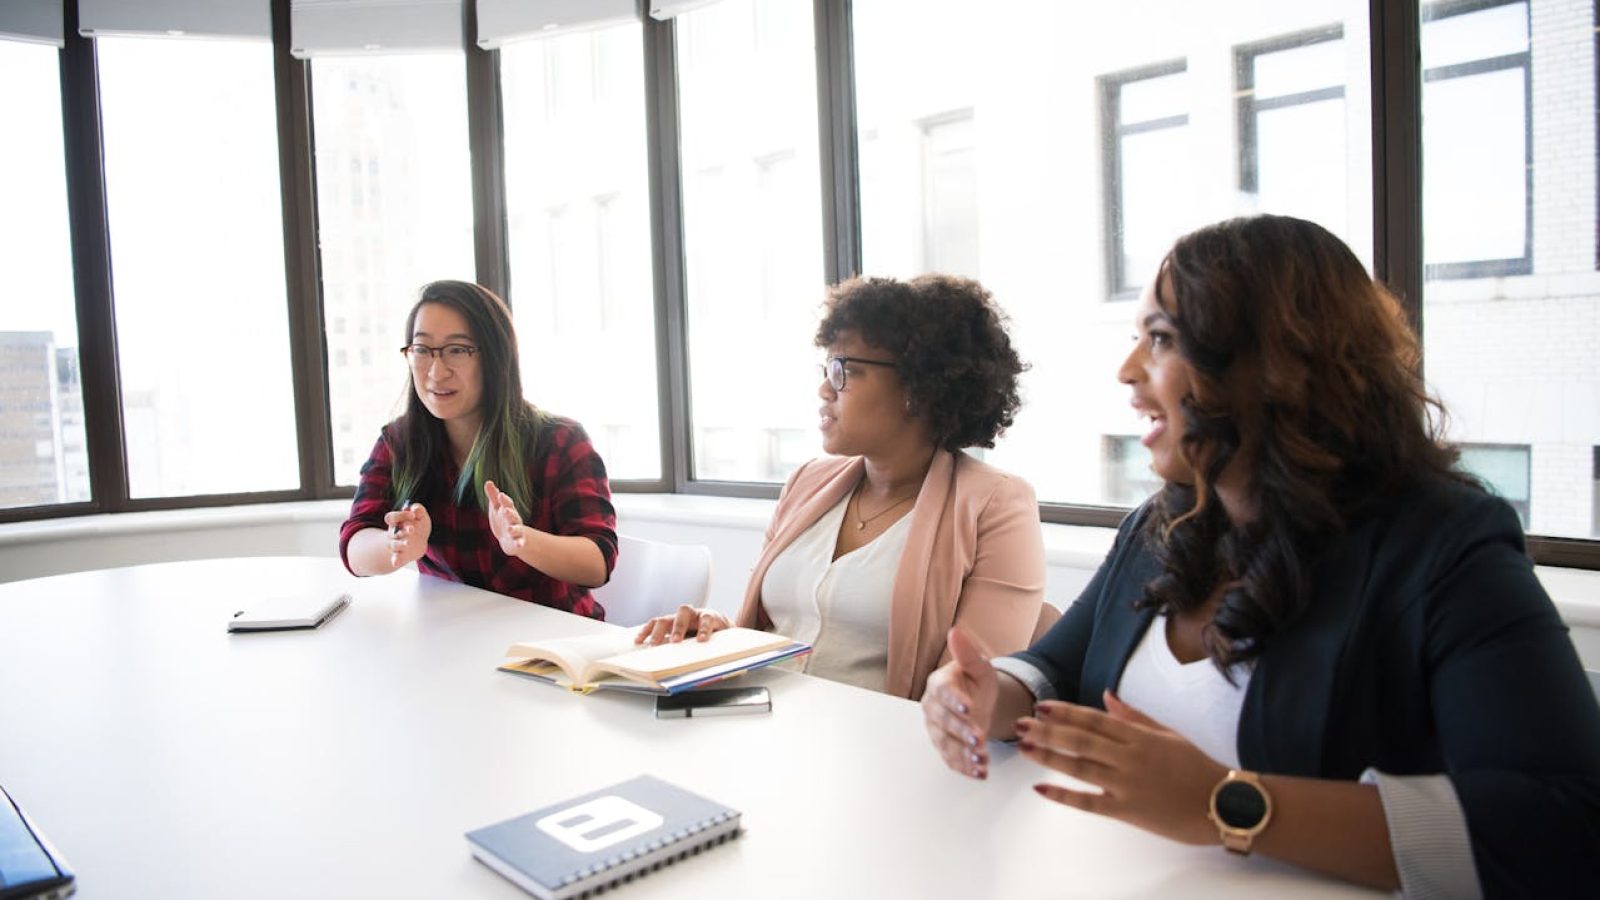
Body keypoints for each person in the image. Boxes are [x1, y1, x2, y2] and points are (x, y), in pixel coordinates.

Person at [920, 215, 1600, 896]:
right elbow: (1053, 670)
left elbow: (1561, 821)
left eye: (1160, 339)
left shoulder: (1444, 546)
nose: (1128, 371)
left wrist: (1224, 804)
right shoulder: (1162, 523)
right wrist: (987, 695)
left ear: (1278, 365)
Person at [636, 274, 1046, 701]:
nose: (824, 389)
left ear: (919, 389)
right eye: (826, 368)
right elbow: (773, 632)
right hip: (757, 726)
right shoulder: (806, 483)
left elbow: (968, 696)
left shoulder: (996, 505)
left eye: (844, 370)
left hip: (879, 751)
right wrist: (716, 635)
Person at [339, 280, 617, 617]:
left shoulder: (559, 441)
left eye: (457, 350)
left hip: (551, 646)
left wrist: (522, 541)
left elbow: (597, 562)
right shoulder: (400, 443)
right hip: (453, 639)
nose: (436, 372)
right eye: (422, 350)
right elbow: (355, 545)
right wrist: (394, 545)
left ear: (495, 357)